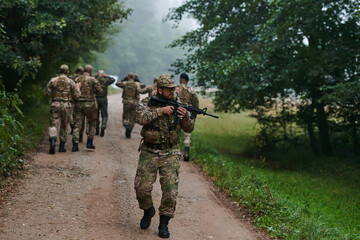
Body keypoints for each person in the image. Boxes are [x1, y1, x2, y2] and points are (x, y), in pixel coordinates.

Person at [134, 74, 194, 238]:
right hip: (149, 151)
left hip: (170, 152)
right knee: (141, 188)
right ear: (159, 90)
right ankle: (148, 210)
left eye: (172, 89)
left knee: (170, 192)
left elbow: (189, 129)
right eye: (167, 90)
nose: (171, 92)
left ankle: (163, 223)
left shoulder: (179, 105)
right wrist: (161, 111)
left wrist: (185, 117)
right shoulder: (146, 103)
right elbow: (140, 118)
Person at [46, 64, 81, 154]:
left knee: (53, 124)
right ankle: (61, 146)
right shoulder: (71, 81)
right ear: (67, 72)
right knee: (64, 125)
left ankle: (53, 140)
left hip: (55, 104)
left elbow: (47, 93)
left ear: (59, 71)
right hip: (66, 105)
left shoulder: (53, 80)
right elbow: (76, 96)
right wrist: (78, 88)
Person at [72, 64, 103, 151]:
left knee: (77, 124)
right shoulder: (93, 79)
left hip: (78, 105)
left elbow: (73, 91)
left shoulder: (77, 79)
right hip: (90, 106)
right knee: (92, 123)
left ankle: (75, 144)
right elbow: (100, 91)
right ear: (91, 71)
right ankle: (89, 142)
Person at [176, 73, 199, 161]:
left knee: (175, 130)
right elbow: (196, 105)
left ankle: (175, 151)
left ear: (180, 79)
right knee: (187, 134)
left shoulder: (175, 89)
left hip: (176, 112)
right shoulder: (191, 91)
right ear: (187, 81)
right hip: (187, 114)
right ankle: (186, 153)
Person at [115, 72, 141, 138]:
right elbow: (142, 87)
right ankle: (129, 129)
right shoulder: (136, 84)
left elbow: (117, 83)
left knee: (125, 116)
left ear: (128, 77)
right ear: (134, 77)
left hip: (126, 102)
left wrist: (123, 79)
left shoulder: (125, 83)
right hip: (134, 103)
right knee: (132, 118)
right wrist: (137, 80)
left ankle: (126, 125)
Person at [94, 70, 115, 137]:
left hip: (96, 99)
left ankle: (97, 129)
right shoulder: (106, 80)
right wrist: (107, 76)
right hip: (103, 99)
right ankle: (103, 126)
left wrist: (95, 76)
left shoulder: (94, 80)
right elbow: (113, 80)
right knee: (104, 115)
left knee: (96, 115)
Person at [69, 66, 84, 135]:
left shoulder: (72, 78)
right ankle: (77, 131)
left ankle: (72, 127)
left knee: (71, 115)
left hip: (72, 99)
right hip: (80, 99)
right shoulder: (84, 78)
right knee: (79, 117)